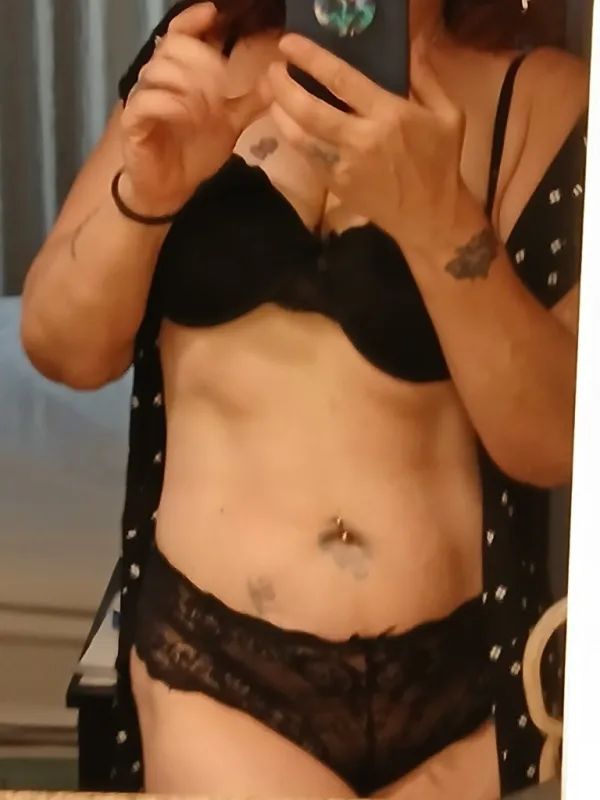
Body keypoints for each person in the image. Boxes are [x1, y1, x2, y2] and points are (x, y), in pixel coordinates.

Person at [21, 0, 587, 797]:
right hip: (223, 671)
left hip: (469, 676)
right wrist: (147, 195)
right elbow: (62, 348)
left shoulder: (539, 97)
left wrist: (439, 223)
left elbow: (555, 443)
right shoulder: (200, 52)